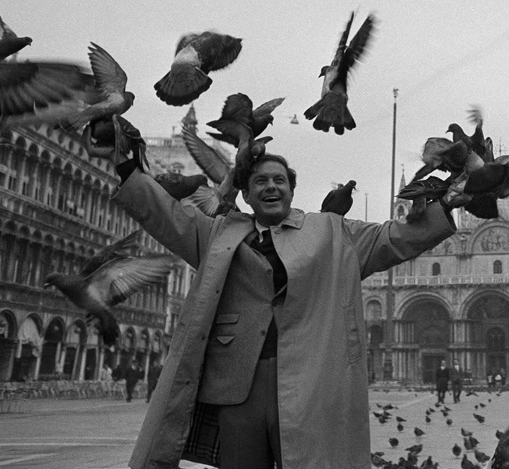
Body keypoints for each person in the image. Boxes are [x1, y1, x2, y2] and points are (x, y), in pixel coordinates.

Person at [112, 151, 459, 469]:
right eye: (260, 181)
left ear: (292, 190)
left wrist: (444, 207)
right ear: (246, 196)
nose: (271, 187)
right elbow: (167, 217)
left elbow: (393, 238)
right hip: (236, 386)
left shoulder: (331, 231)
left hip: (309, 383)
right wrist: (126, 166)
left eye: (279, 180)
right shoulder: (219, 233)